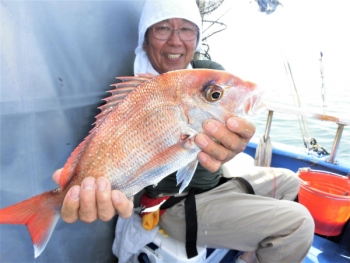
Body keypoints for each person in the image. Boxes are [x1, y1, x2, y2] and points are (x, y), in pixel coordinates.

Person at [53, 0, 315, 262]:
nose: (175, 41)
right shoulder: (133, 96)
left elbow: (230, 105)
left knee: (293, 181)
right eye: (163, 28)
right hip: (175, 206)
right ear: (145, 40)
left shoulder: (208, 73)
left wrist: (232, 146)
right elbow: (132, 172)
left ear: (198, 38)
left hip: (216, 184)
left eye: (187, 29)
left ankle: (248, 254)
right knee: (300, 224)